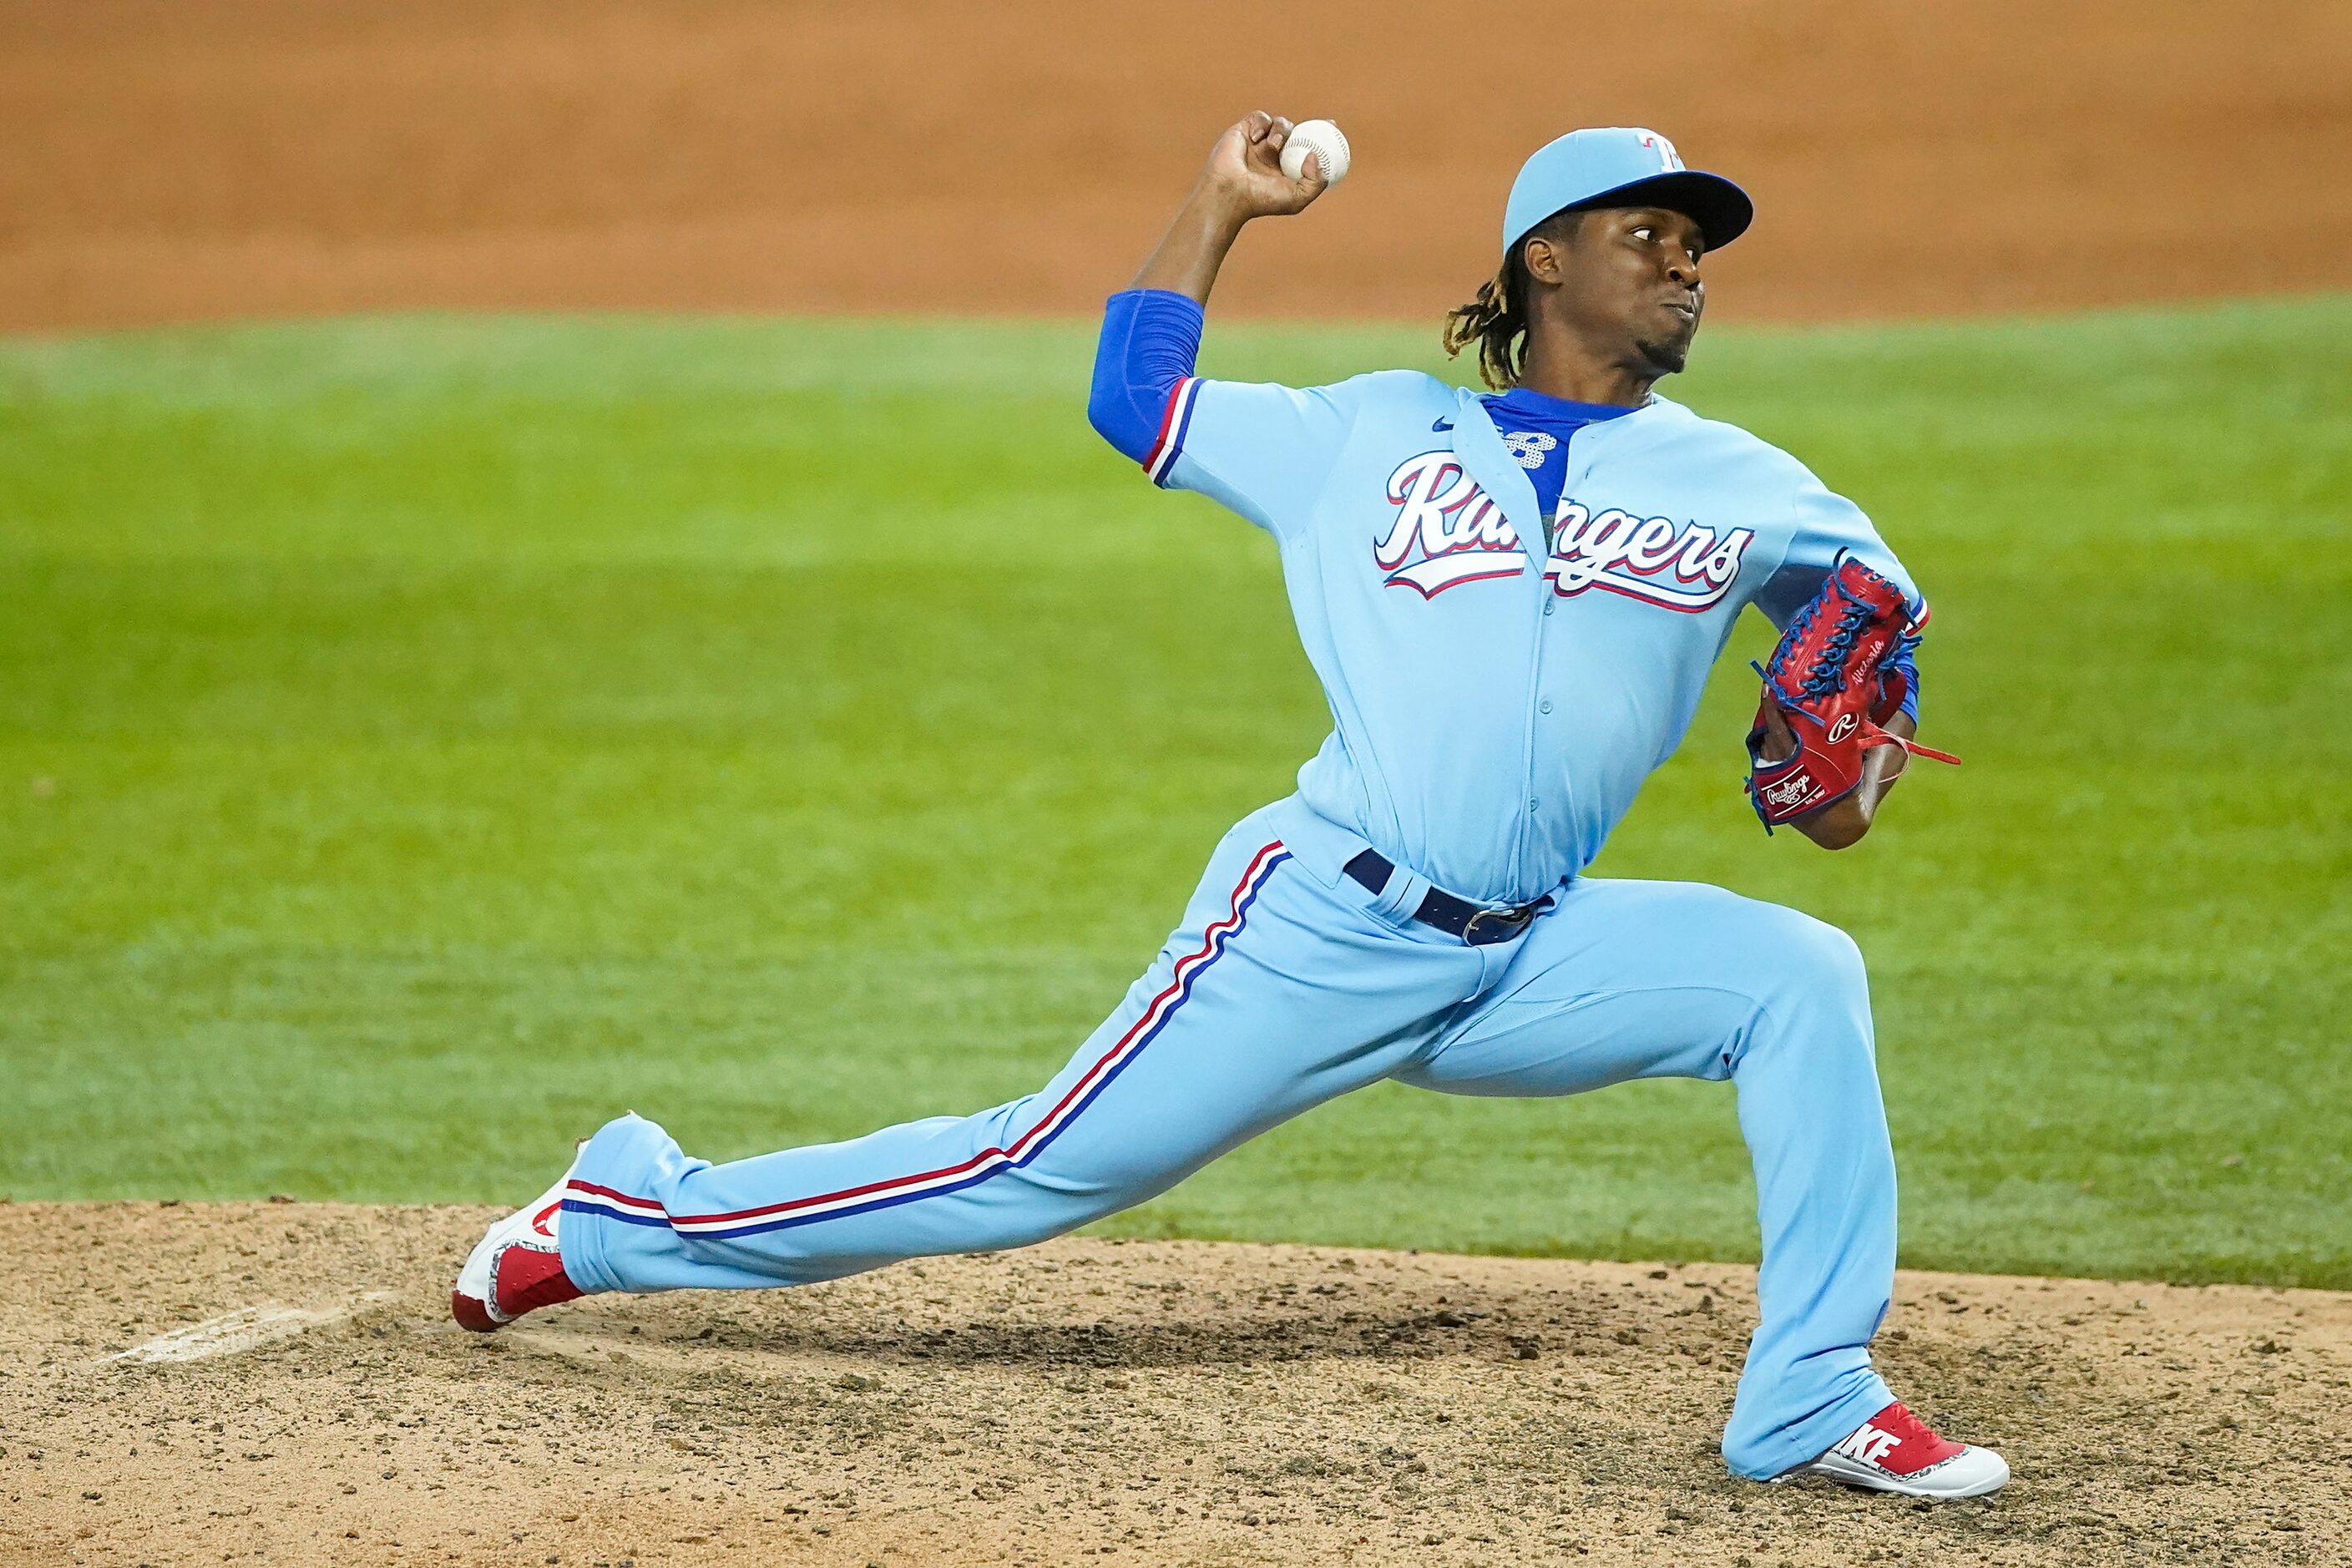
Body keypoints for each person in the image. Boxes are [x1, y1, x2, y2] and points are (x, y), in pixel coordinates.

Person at [451, 115, 2004, 1500]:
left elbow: (1841, 759)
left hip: (1533, 955)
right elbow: (1137, 401)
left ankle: (1807, 1393)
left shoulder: (1757, 488)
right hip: (1322, 923)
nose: (1688, 270)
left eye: (1698, 248)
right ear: (1545, 259)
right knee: (1026, 1174)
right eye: (1649, 236)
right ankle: (616, 1214)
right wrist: (1220, 203)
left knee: (1800, 976)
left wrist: (1844, 778)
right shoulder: (1364, 432)